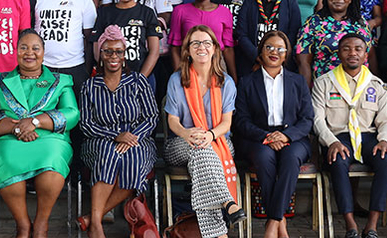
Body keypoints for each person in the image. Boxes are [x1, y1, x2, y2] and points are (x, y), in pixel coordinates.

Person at [0, 29, 80, 238]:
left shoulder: (61, 80)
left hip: (49, 137)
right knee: (7, 160)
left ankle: (41, 224)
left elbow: (72, 113)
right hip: (8, 137)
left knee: (51, 163)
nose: (29, 53)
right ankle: (23, 225)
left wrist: (35, 122)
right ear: (15, 51)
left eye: (35, 48)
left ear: (43, 52)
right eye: (23, 47)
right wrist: (15, 128)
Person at [164, 25, 246, 238]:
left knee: (202, 153)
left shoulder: (226, 83)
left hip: (218, 141)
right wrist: (186, 133)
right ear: (188, 50)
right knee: (200, 150)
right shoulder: (176, 80)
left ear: (215, 49)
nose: (202, 47)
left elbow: (227, 123)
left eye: (206, 43)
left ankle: (219, 234)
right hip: (180, 144)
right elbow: (172, 121)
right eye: (196, 43)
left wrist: (209, 135)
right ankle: (227, 201)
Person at [77, 25, 158, 238]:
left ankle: (92, 220)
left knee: (133, 158)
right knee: (109, 153)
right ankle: (96, 225)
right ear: (100, 55)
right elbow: (86, 124)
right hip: (99, 140)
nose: (114, 56)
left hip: (137, 138)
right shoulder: (89, 87)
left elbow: (151, 118)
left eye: (118, 52)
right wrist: (115, 136)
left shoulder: (138, 82)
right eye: (108, 51)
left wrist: (132, 137)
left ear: (124, 56)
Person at [234, 31, 313, 238]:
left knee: (290, 157)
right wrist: (266, 137)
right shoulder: (247, 82)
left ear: (287, 55)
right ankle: (280, 221)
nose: (274, 52)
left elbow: (307, 119)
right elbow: (241, 121)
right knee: (263, 157)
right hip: (258, 137)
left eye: (280, 48)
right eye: (269, 47)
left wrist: (286, 136)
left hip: (293, 137)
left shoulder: (297, 82)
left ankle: (273, 221)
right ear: (261, 51)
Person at [312, 33, 387, 238]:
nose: (352, 53)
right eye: (346, 49)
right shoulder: (324, 82)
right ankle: (350, 225)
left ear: (366, 54)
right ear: (339, 53)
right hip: (339, 137)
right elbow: (317, 120)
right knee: (338, 161)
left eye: (358, 49)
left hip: (367, 136)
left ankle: (371, 225)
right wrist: (331, 142)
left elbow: (385, 119)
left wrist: (384, 140)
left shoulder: (376, 85)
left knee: (385, 160)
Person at [34, 0, 97, 94]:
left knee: (74, 113)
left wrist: (86, 71)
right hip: (43, 67)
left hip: (74, 67)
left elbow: (89, 39)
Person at [91, 0, 162, 87]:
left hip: (142, 76)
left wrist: (141, 79)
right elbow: (96, 48)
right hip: (112, 78)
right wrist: (109, 75)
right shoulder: (105, 13)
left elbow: (154, 51)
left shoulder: (147, 13)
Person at [297, 0, 372, 87]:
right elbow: (303, 62)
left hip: (358, 87)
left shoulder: (361, 23)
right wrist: (305, 96)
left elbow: (370, 55)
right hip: (325, 89)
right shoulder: (314, 23)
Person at [169, 0, 236, 82]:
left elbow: (228, 49)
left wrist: (234, 77)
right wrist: (179, 74)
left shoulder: (224, 12)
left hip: (217, 65)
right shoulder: (180, 11)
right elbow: (175, 47)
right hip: (188, 64)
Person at [237, 0, 301, 77]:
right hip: (253, 64)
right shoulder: (248, 4)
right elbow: (242, 34)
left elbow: (293, 35)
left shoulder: (291, 4)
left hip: (282, 64)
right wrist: (258, 58)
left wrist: (277, 59)